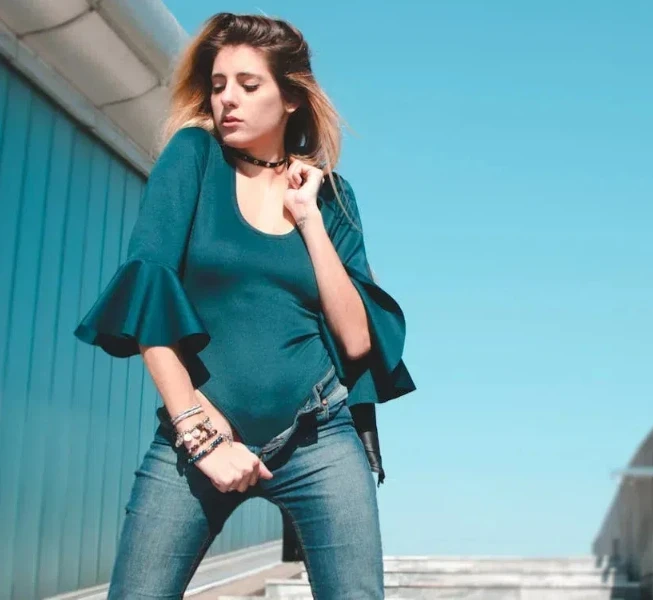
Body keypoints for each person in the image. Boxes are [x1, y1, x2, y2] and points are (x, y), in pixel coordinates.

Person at [73, 12, 415, 600]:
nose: (227, 99)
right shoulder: (193, 158)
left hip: (320, 433)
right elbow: (149, 295)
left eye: (248, 85)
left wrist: (308, 217)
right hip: (201, 427)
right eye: (218, 83)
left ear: (289, 98)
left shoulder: (331, 197)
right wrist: (197, 434)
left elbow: (357, 340)